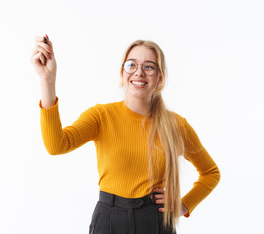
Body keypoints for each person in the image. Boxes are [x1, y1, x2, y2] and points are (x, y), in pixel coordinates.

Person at [30, 35, 221, 234]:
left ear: (160, 77)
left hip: (155, 221)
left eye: (149, 67)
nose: (139, 72)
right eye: (132, 65)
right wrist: (47, 80)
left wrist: (183, 205)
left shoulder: (176, 125)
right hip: (109, 219)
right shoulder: (101, 116)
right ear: (123, 72)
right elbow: (56, 145)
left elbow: (211, 173)